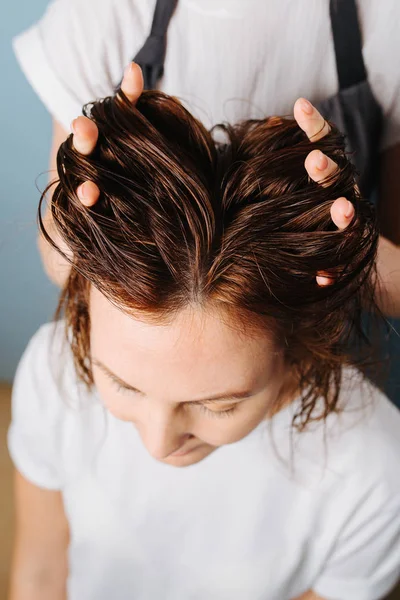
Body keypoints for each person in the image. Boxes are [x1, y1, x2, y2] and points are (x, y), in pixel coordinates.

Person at [8, 78, 400, 599]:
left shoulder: (374, 470)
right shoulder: (52, 373)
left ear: (304, 344)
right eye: (120, 385)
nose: (158, 443)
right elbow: (38, 569)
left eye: (217, 407)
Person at [12, 0, 400, 317]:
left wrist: (353, 256)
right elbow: (56, 260)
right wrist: (86, 224)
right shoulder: (98, 13)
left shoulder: (386, 18)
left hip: (311, 368)